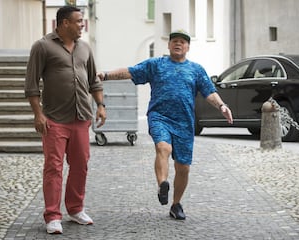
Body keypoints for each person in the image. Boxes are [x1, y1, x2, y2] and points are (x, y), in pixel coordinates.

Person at [98, 29, 233, 220]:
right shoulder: (156, 65)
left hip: (185, 123)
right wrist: (105, 74)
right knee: (163, 147)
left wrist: (222, 105)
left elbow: (209, 92)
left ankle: (176, 204)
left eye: (182, 42)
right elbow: (130, 71)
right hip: (159, 116)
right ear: (169, 45)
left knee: (183, 167)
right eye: (175, 41)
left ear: (188, 47)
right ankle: (163, 184)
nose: (178, 44)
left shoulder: (196, 69)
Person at [24, 6, 106, 234]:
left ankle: (75, 208)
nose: (82, 25)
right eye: (78, 21)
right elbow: (31, 84)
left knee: (80, 166)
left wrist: (100, 105)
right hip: (54, 119)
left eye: (82, 21)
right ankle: (52, 215)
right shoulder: (42, 47)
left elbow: (93, 81)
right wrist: (38, 113)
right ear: (64, 23)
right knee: (54, 168)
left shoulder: (85, 48)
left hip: (81, 118)